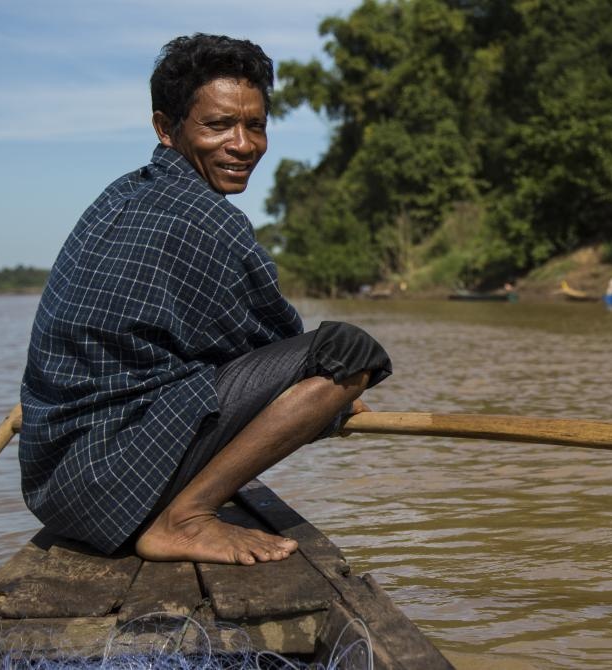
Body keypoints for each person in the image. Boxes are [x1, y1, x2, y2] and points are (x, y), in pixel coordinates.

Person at [19, 34, 391, 566]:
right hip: (109, 486)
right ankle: (186, 518)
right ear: (165, 128)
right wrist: (334, 401)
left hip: (53, 486)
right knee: (351, 354)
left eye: (255, 125)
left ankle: (176, 509)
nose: (242, 144)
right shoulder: (207, 219)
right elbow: (290, 348)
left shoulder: (120, 193)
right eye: (218, 126)